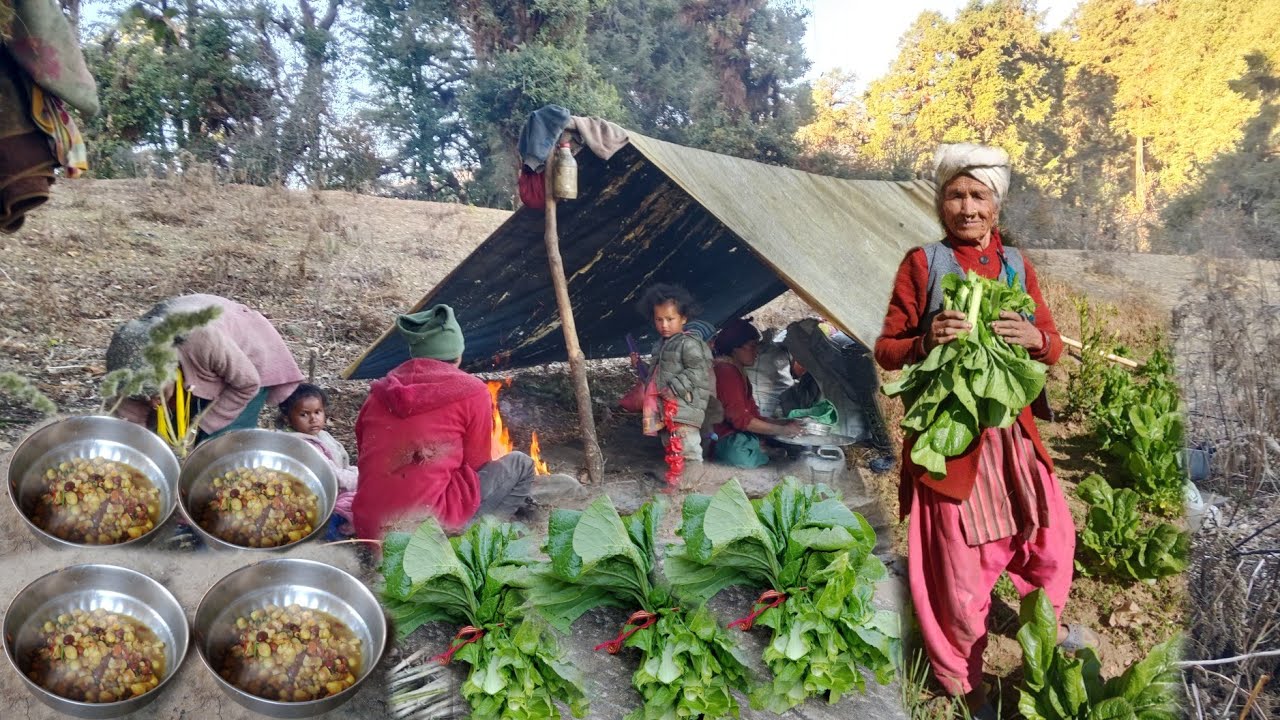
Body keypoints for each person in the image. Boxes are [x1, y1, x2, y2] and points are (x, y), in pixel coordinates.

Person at [873, 143, 1091, 717]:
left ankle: (1043, 632)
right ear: (941, 203)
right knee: (960, 571)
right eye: (955, 195)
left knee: (1049, 543)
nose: (966, 207)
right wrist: (926, 340)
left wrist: (1035, 340)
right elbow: (887, 350)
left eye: (978, 195)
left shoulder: (1016, 264)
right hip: (953, 443)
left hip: (1012, 439)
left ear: (996, 204)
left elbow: (1054, 342)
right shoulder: (923, 264)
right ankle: (964, 681)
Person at [351, 304, 543, 539]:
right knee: (521, 464)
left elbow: (364, 455)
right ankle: (477, 538)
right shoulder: (471, 391)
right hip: (425, 532)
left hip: (369, 528)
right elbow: (477, 464)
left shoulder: (379, 393)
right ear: (458, 354)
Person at [107, 294, 303, 443]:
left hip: (247, 360)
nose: (151, 402)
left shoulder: (203, 339)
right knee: (172, 428)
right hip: (200, 366)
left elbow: (247, 384)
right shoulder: (130, 356)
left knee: (221, 441)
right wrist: (135, 444)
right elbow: (129, 417)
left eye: (155, 394)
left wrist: (204, 425)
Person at [632, 284, 714, 483]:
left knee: (688, 449)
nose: (664, 325)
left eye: (670, 319)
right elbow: (656, 378)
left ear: (683, 318)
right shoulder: (660, 345)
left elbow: (700, 369)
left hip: (682, 408)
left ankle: (694, 488)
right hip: (666, 410)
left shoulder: (689, 343)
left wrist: (674, 388)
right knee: (672, 448)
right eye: (659, 320)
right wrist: (640, 367)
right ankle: (679, 485)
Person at [710, 318, 803, 467]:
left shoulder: (737, 370)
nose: (757, 352)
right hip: (720, 439)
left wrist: (784, 422)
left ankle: (761, 450)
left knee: (760, 441)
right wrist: (782, 429)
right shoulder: (725, 372)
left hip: (735, 435)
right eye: (752, 346)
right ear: (735, 348)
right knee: (739, 454)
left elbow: (753, 415)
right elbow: (741, 420)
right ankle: (761, 451)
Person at [278, 383, 358, 536]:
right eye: (304, 414)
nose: (313, 419)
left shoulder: (323, 436)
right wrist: (359, 479)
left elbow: (342, 460)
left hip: (341, 487)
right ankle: (334, 542)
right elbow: (331, 474)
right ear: (287, 419)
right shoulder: (300, 445)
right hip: (320, 497)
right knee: (329, 524)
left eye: (318, 412)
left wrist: (358, 472)